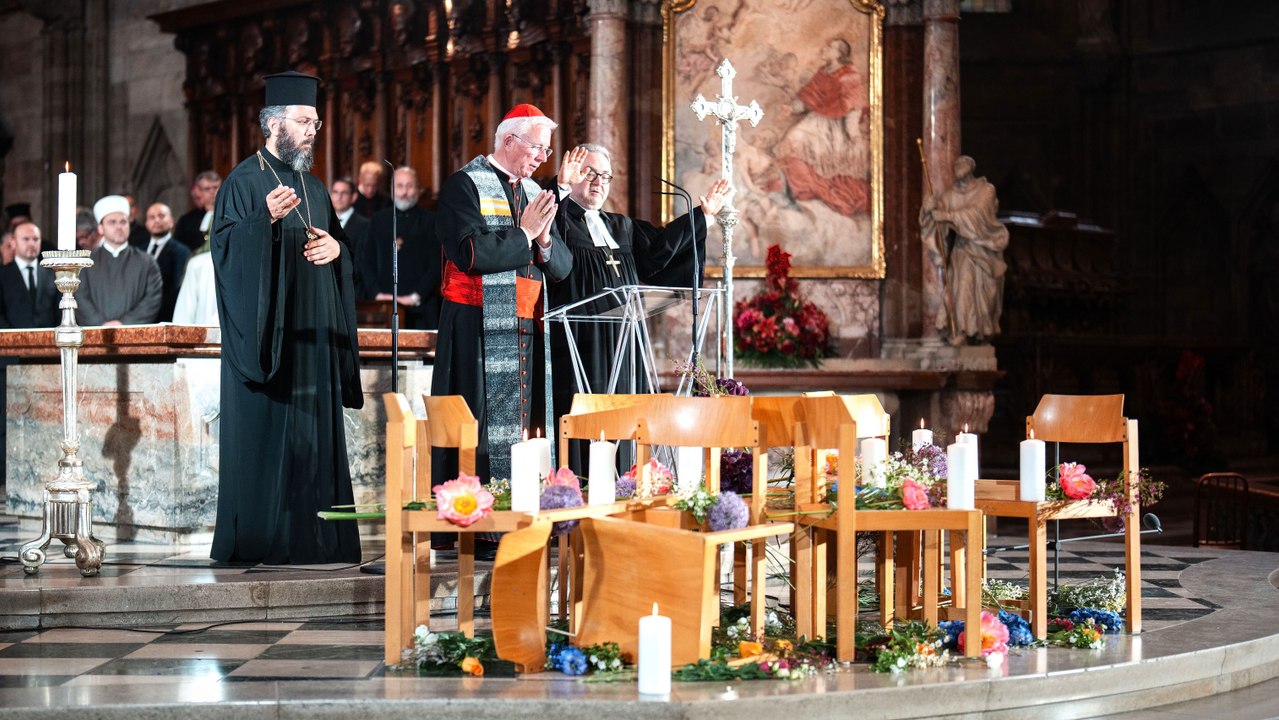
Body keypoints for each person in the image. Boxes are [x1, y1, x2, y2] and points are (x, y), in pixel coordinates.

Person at [210, 70, 363, 565]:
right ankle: (261, 541)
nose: (313, 130)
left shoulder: (315, 187)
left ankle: (319, 541)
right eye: (303, 121)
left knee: (314, 441)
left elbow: (338, 246)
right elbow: (225, 252)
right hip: (269, 341)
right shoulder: (243, 181)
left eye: (316, 122)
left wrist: (338, 248)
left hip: (312, 340)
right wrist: (265, 221)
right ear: (273, 124)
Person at [548, 143, 729, 470]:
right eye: (589, 174)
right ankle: (580, 483)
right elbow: (544, 239)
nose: (598, 182)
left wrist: (703, 216)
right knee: (586, 417)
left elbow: (661, 252)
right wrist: (557, 190)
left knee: (628, 414)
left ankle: (629, 479)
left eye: (605, 176)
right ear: (571, 176)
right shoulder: (557, 221)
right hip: (579, 342)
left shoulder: (621, 227)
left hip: (625, 342)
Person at [431, 103, 572, 488]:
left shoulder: (533, 191)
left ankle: (526, 509)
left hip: (528, 326)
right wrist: (525, 234)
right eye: (538, 149)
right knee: (478, 427)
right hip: (475, 327)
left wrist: (543, 240)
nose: (544, 159)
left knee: (527, 424)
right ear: (511, 141)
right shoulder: (465, 184)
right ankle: (480, 525)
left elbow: (561, 267)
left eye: (547, 151)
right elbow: (470, 253)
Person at [776, 38, 870, 218]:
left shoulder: (850, 75)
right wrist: (791, 108)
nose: (824, 49)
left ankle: (823, 192)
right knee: (791, 141)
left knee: (816, 153)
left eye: (830, 47)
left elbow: (854, 106)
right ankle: (803, 189)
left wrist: (852, 132)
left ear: (839, 54)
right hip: (817, 119)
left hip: (837, 126)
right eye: (826, 46)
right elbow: (809, 99)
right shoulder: (823, 72)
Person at [919, 155, 1009, 343]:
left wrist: (945, 215)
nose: (958, 166)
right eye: (956, 163)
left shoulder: (986, 190)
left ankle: (978, 331)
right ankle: (962, 330)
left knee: (981, 297)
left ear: (972, 167)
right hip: (962, 251)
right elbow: (935, 219)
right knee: (961, 287)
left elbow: (977, 216)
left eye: (963, 163)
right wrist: (928, 210)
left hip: (983, 250)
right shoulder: (951, 195)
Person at [369, 166, 442, 329]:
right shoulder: (378, 220)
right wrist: (377, 294)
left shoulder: (431, 221)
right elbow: (366, 260)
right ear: (391, 188)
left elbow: (436, 264)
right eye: (399, 186)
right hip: (383, 306)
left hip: (421, 307)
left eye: (409, 186)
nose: (404, 192)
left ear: (417, 189)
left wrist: (415, 296)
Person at [77, 195, 163, 327]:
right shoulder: (84, 263)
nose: (119, 227)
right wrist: (101, 325)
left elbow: (152, 300)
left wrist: (123, 324)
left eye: (123, 222)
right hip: (94, 339)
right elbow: (80, 298)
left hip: (134, 339)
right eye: (112, 222)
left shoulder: (147, 262)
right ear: (100, 228)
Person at [134, 203, 191, 322]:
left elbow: (177, 288)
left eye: (161, 216)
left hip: (167, 317)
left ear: (171, 221)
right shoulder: (137, 251)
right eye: (152, 217)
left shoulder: (182, 252)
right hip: (138, 317)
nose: (156, 220)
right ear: (146, 223)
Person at [0, 222, 58, 328]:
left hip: (48, 341)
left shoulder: (52, 274)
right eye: (26, 239)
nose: (31, 244)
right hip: (11, 341)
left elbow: (59, 312)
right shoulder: (3, 275)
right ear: (13, 242)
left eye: (35, 239)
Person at [329, 176, 372, 298]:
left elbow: (363, 261)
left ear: (354, 197)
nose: (339, 197)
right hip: (328, 289)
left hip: (354, 291)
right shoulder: (322, 221)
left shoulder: (365, 225)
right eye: (335, 192)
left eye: (344, 193)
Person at [174, 171, 222, 252]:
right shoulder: (186, 221)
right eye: (207, 189)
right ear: (198, 192)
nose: (212, 192)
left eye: (216, 187)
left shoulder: (231, 215)